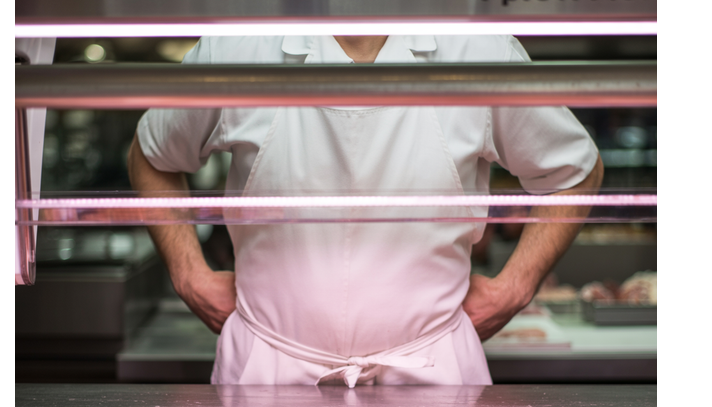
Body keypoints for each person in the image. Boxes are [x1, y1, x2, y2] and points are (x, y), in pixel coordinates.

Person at [128, 34, 603, 387]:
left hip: (432, 374)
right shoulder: (239, 47)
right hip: (267, 372)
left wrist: (515, 286)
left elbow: (575, 171)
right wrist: (188, 272)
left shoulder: (479, 50)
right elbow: (151, 156)